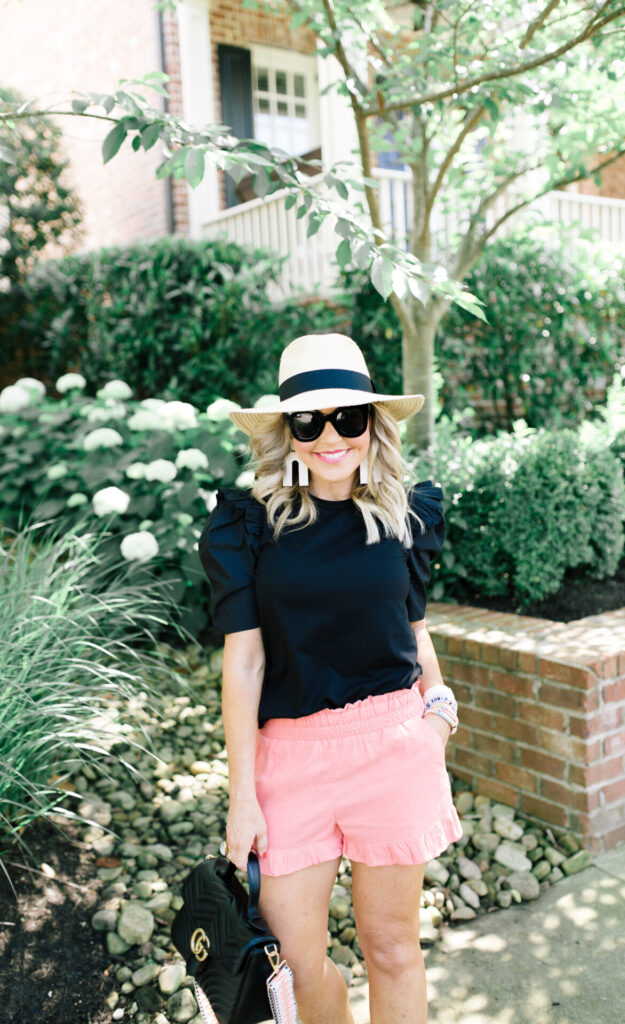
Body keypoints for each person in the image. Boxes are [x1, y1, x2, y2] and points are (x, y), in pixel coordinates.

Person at [199, 333, 462, 1024]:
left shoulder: (407, 514)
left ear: (371, 423)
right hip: (290, 763)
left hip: (392, 750)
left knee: (393, 947)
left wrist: (438, 711)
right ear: (288, 431)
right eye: (309, 421)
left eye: (347, 417)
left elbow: (410, 628)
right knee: (297, 967)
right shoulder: (247, 525)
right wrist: (241, 796)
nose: (329, 437)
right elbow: (245, 661)